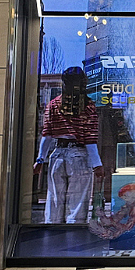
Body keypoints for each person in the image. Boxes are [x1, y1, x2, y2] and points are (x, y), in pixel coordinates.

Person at [33, 67, 104, 224]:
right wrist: (97, 164)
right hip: (79, 155)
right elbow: (90, 139)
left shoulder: (53, 105)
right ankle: (73, 235)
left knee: (54, 200)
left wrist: (40, 160)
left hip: (57, 154)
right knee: (77, 205)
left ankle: (51, 234)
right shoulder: (88, 106)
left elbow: (47, 134)